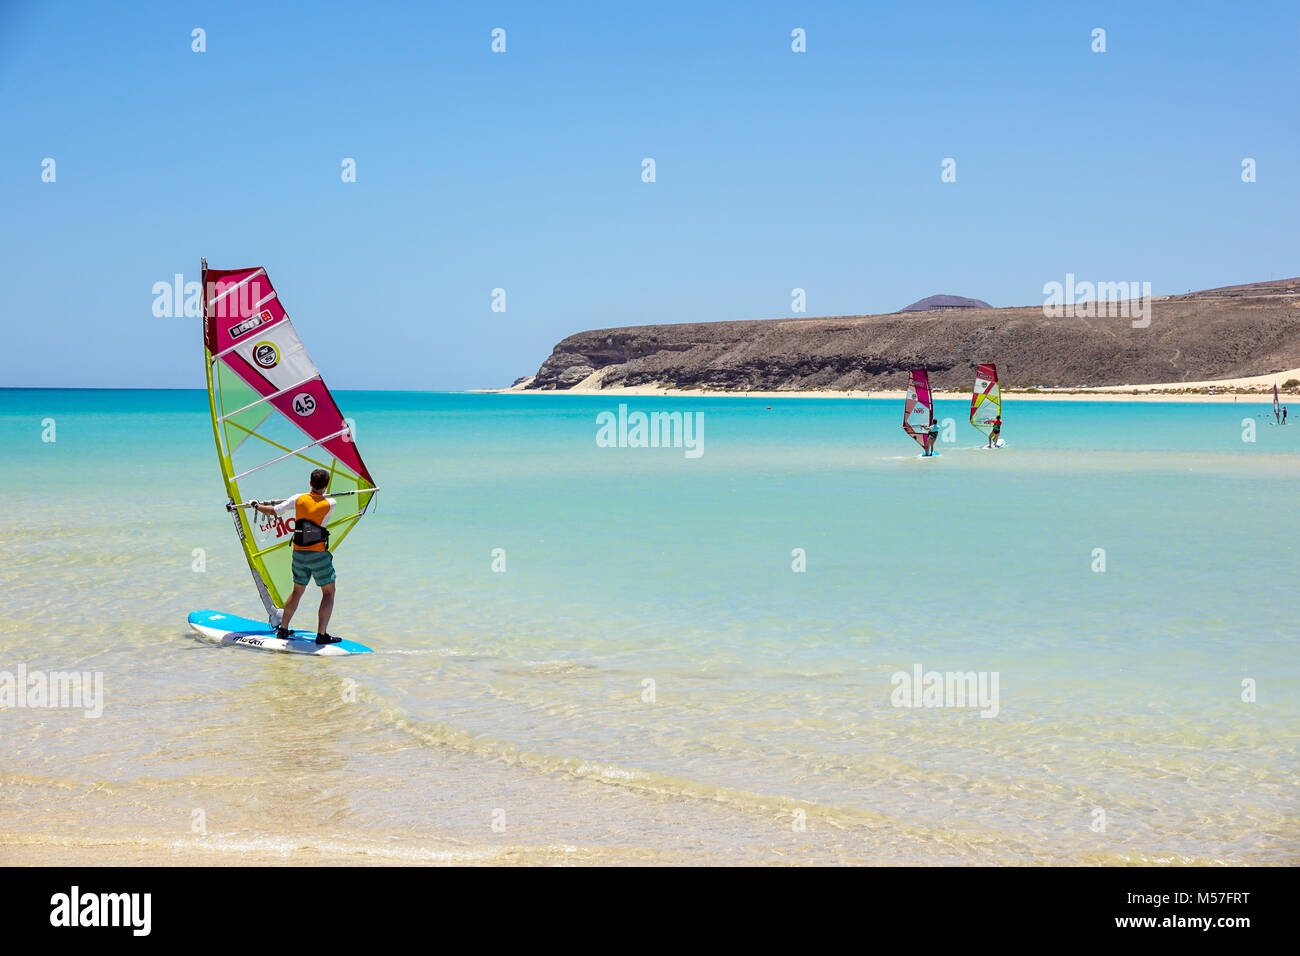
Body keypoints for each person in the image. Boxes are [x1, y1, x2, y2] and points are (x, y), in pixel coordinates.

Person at [248, 468, 340, 645]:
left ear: (310, 483)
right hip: (318, 555)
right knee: (328, 592)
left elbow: (274, 511)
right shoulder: (331, 503)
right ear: (326, 485)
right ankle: (322, 635)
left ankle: (282, 629)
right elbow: (325, 498)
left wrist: (256, 506)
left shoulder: (298, 498)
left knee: (297, 590)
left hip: (299, 553)